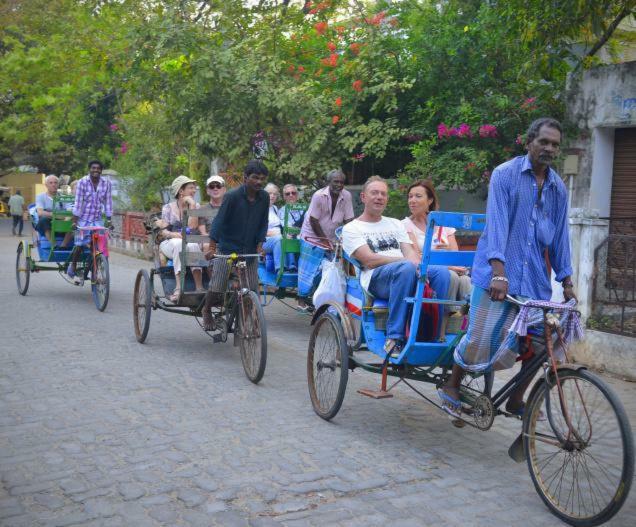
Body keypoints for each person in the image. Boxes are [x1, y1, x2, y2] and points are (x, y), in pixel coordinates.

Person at [438, 117, 577, 418]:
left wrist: (566, 281)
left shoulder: (558, 189)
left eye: (555, 144)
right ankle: (452, 383)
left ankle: (516, 399)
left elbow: (560, 237)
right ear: (529, 142)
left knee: (544, 341)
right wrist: (499, 272)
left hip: (535, 282)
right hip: (495, 275)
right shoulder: (505, 175)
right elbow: (498, 226)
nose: (549, 148)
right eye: (544, 142)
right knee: (480, 336)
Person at [342, 176, 449, 354]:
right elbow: (369, 260)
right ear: (363, 197)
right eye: (374, 193)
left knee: (441, 273)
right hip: (376, 278)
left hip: (404, 272)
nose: (379, 197)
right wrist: (405, 262)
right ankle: (395, 337)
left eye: (383, 194)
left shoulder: (395, 224)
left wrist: (416, 265)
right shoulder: (352, 228)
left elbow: (411, 254)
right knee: (406, 269)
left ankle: (432, 335)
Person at [203, 160, 269, 330]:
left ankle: (250, 316)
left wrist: (260, 246)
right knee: (218, 284)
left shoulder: (264, 197)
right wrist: (211, 248)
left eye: (262, 179)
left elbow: (263, 222)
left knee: (252, 287)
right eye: (255, 178)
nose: (259, 182)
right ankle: (207, 310)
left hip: (249, 248)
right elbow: (218, 222)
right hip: (227, 247)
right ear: (245, 178)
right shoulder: (232, 196)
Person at [402, 180, 471, 308]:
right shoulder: (405, 225)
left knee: (466, 280)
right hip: (426, 273)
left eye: (418, 196)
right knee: (452, 277)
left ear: (430, 200)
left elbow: (455, 256)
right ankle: (445, 319)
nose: (412, 200)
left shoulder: (443, 224)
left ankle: (468, 321)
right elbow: (417, 257)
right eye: (410, 196)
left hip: (452, 269)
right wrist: (448, 266)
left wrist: (449, 260)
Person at [298, 169, 355, 308]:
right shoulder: (319, 195)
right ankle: (301, 298)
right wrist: (323, 240)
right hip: (311, 235)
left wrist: (354, 236)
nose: (339, 185)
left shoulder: (346, 196)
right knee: (310, 269)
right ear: (328, 182)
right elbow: (313, 220)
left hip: (331, 238)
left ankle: (323, 299)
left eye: (342, 182)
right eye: (336, 182)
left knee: (330, 268)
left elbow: (349, 220)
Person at [158, 175, 205, 302]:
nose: (194, 191)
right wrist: (174, 235)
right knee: (179, 243)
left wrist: (192, 205)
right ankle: (179, 287)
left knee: (193, 245)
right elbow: (163, 231)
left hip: (189, 242)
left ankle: (199, 287)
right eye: (191, 188)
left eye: (195, 188)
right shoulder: (168, 208)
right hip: (169, 243)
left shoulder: (196, 205)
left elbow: (192, 226)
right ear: (181, 191)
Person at [67, 160, 113, 281]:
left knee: (99, 245)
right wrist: (75, 221)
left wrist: (109, 219)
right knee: (80, 243)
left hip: (97, 218)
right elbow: (78, 202)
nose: (96, 170)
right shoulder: (82, 182)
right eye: (93, 168)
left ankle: (96, 267)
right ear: (89, 169)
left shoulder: (106, 183)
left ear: (101, 171)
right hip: (83, 218)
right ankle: (73, 265)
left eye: (98, 168)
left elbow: (108, 202)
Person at [262, 183, 296, 273]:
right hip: (264, 241)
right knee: (279, 239)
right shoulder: (259, 209)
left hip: (278, 238)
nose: (272, 196)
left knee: (288, 237)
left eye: (275, 194)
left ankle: (292, 265)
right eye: (269, 193)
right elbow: (257, 231)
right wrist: (279, 234)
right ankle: (280, 268)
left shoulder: (275, 208)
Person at [35, 175, 66, 244]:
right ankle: (53, 244)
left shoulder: (63, 198)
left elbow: (69, 212)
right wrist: (56, 216)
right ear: (46, 185)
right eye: (51, 183)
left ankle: (64, 245)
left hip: (61, 225)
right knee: (43, 219)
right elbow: (40, 212)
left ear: (58, 184)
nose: (53, 185)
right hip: (46, 225)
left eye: (55, 183)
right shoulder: (41, 196)